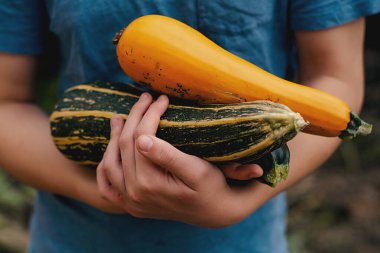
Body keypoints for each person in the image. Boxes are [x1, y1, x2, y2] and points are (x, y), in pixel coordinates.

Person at [0, 1, 378, 252]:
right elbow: (6, 104)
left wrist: (233, 205)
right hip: (77, 237)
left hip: (244, 239)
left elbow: (335, 74)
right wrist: (114, 194)